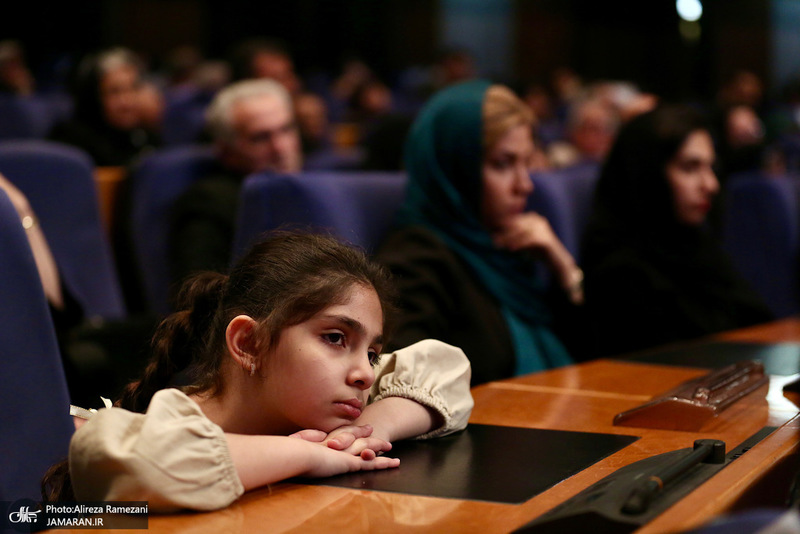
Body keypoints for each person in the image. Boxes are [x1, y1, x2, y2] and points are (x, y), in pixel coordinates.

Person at [44, 231, 473, 511]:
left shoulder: (320, 405)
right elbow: (140, 463)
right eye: (335, 338)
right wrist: (306, 455)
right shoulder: (156, 430)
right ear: (248, 344)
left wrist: (363, 433)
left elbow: (445, 367)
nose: (365, 374)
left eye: (373, 353)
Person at [375, 80, 583, 386]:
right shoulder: (416, 258)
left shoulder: (508, 248)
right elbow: (404, 384)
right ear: (455, 167)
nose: (525, 185)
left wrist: (563, 266)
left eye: (527, 163)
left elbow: (589, 361)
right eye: (503, 164)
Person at [580, 104, 774, 357]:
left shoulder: (697, 247)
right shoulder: (618, 271)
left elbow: (758, 324)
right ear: (648, 174)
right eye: (690, 168)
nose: (711, 185)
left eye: (711, 168)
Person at [169, 78, 303, 286]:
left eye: (286, 129)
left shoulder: (311, 188)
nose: (280, 148)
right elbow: (201, 290)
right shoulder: (209, 203)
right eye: (260, 137)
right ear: (227, 151)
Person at [49, 47, 160, 167]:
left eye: (133, 89)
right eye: (114, 92)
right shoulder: (70, 143)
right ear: (93, 97)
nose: (127, 102)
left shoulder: (144, 137)